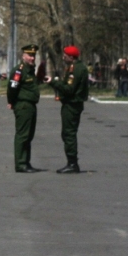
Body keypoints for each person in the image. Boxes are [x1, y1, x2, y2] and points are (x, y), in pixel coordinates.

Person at [46, 45, 89, 173]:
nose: (63, 57)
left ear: (71, 57)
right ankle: (72, 162)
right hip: (71, 104)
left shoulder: (75, 69)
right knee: (67, 133)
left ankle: (72, 164)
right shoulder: (76, 67)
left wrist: (53, 82)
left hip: (72, 104)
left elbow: (69, 89)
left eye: (65, 55)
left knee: (69, 134)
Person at [7, 44, 41, 173]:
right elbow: (12, 88)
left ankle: (26, 161)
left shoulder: (30, 70)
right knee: (23, 135)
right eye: (30, 55)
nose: (32, 58)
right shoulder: (19, 71)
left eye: (33, 55)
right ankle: (20, 164)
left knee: (29, 135)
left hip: (31, 105)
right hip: (23, 105)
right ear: (23, 56)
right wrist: (11, 102)